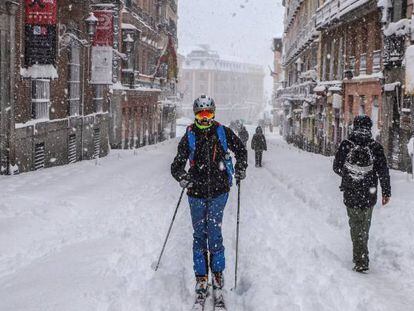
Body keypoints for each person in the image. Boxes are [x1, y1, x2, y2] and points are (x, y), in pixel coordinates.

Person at [171, 95, 248, 308]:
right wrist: (182, 177)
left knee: (214, 232)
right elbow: (176, 165)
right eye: (201, 114)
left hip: (219, 191)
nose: (205, 118)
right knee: (199, 235)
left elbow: (241, 150)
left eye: (208, 114)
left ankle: (217, 274)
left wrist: (241, 167)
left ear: (213, 113)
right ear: (195, 114)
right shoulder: (189, 136)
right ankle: (201, 277)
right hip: (195, 192)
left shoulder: (222, 132)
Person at [333, 115, 391, 273]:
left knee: (355, 225)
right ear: (370, 128)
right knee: (365, 226)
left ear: (354, 126)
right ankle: (361, 257)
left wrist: (350, 176)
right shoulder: (375, 147)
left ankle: (360, 258)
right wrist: (386, 192)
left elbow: (336, 166)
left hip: (351, 193)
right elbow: (383, 171)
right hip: (369, 193)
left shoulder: (346, 144)